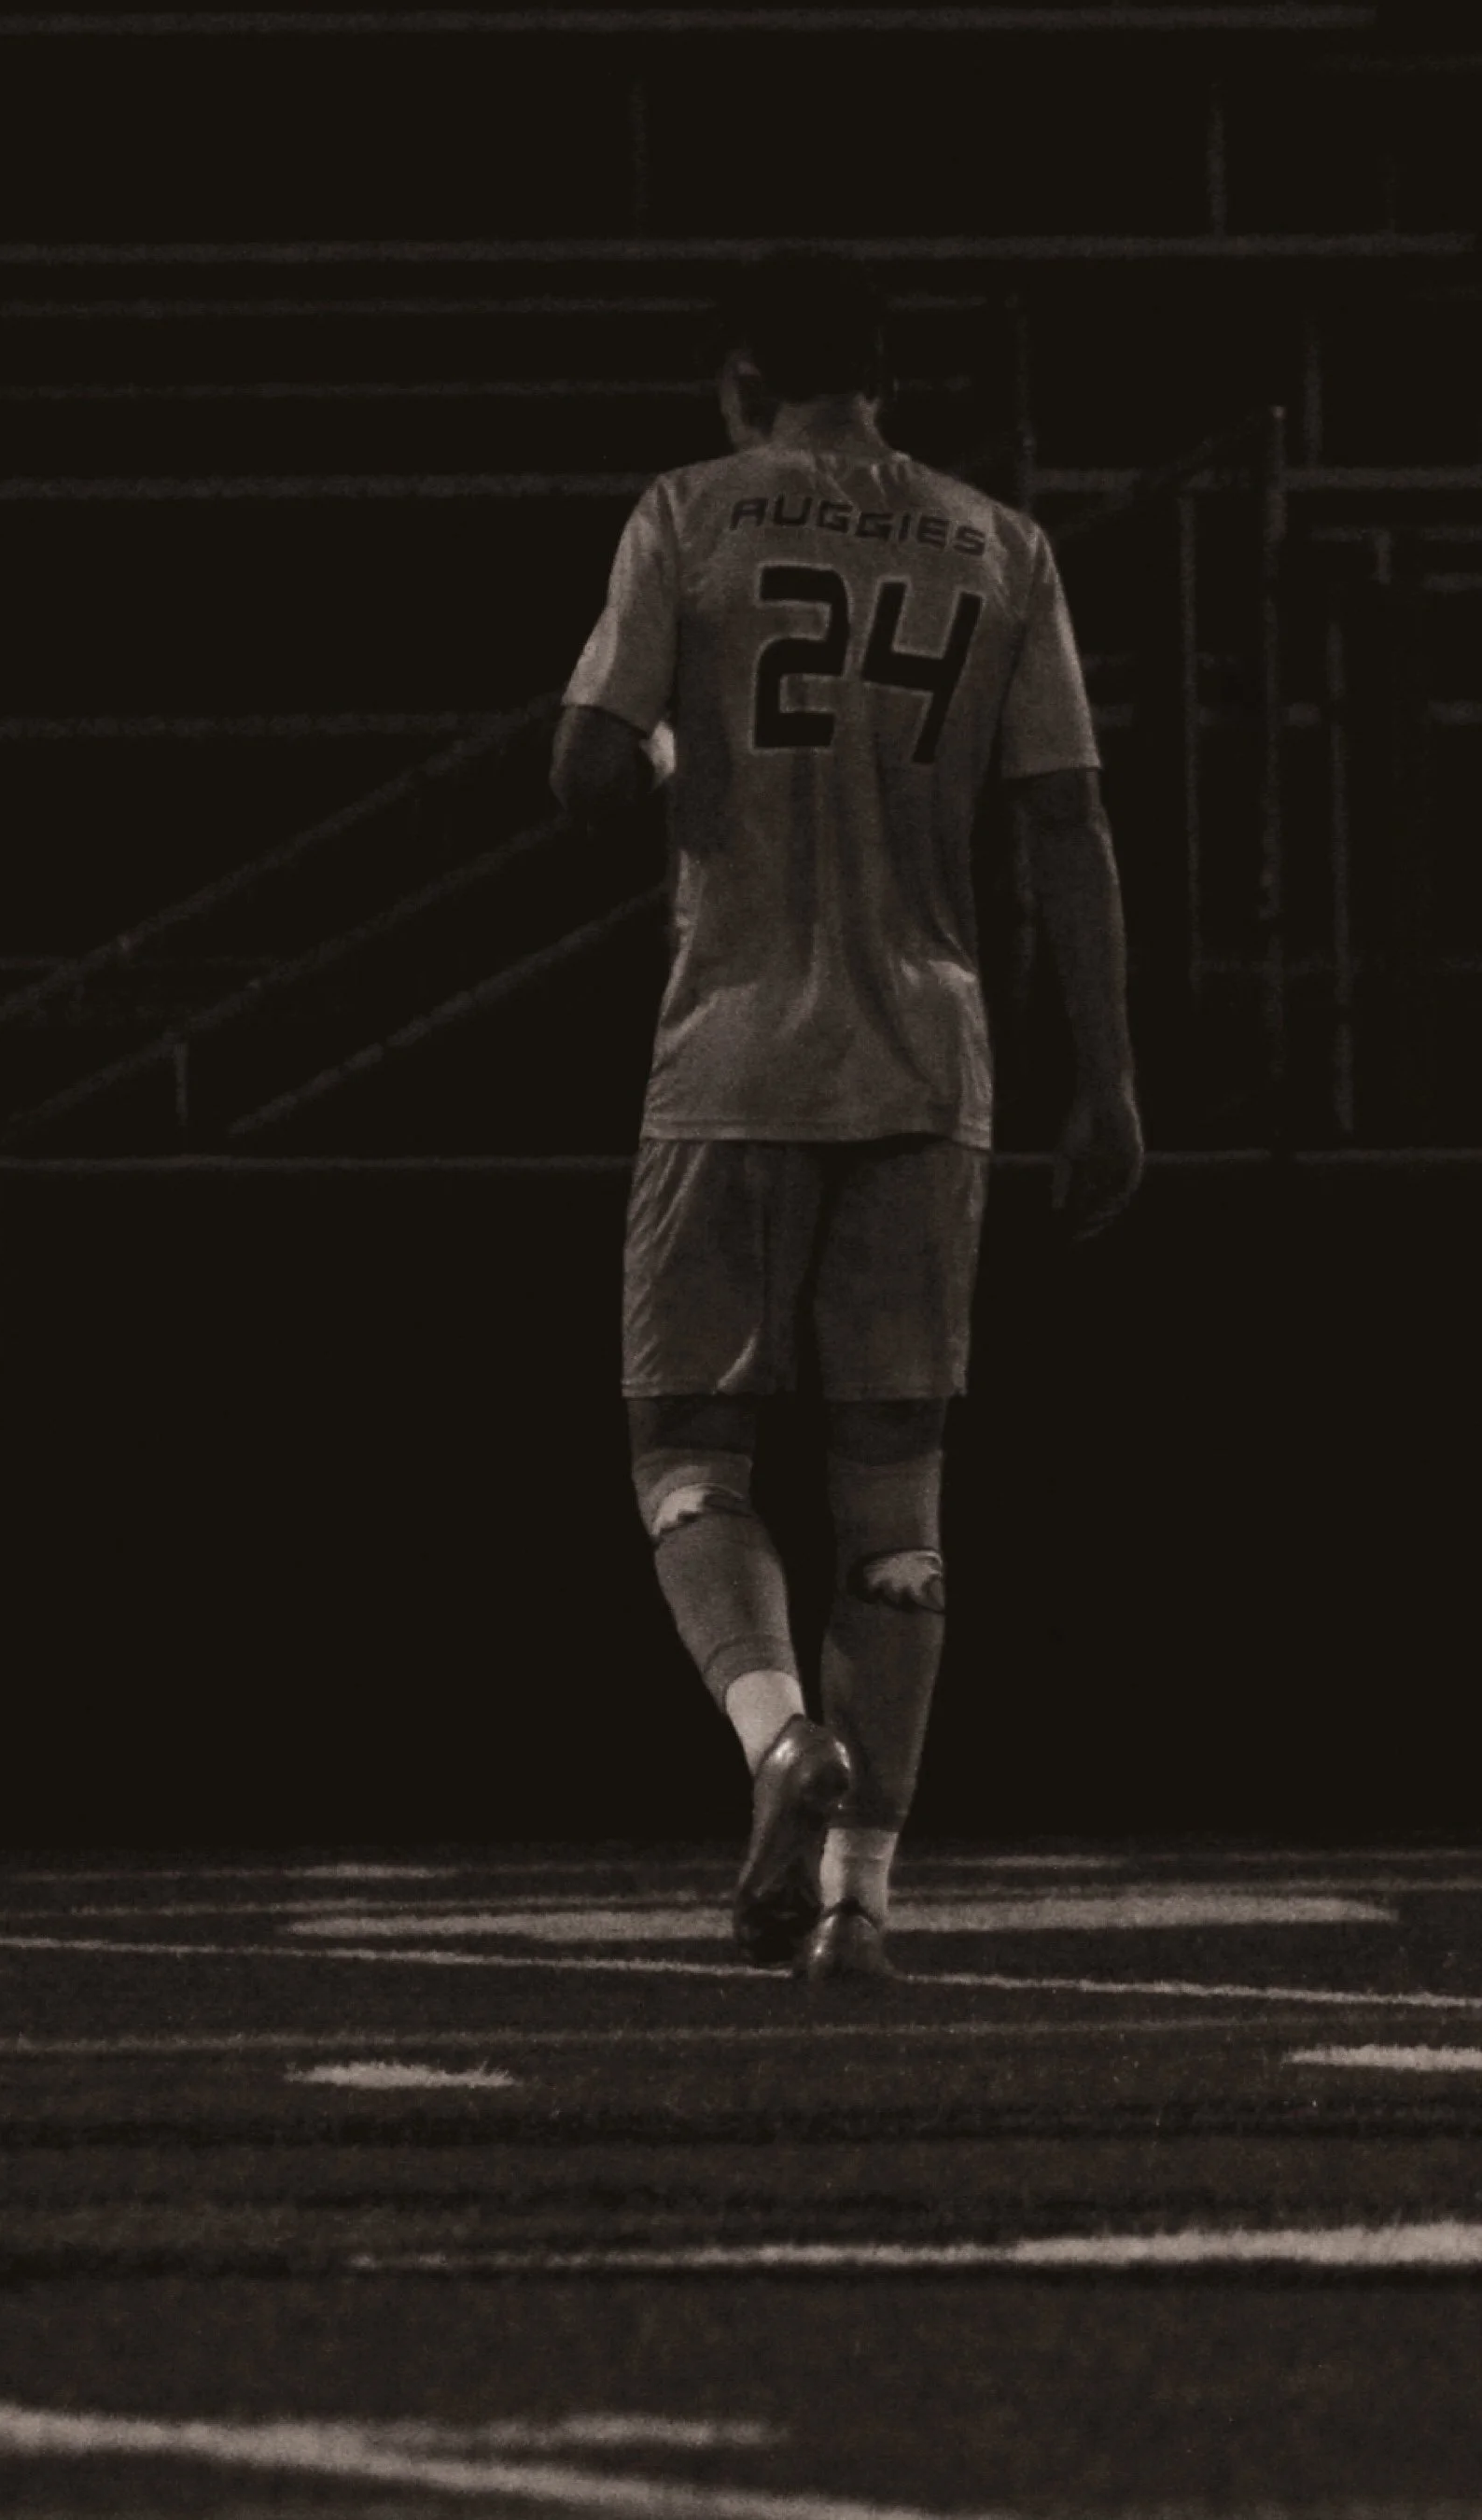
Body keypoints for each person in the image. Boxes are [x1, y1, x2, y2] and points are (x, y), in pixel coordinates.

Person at [551, 254, 1143, 1989]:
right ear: (886, 383)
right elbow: (1066, 824)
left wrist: (675, 763)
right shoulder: (998, 545)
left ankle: (779, 1740)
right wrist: (1107, 1077)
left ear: (745, 381)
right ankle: (862, 1904)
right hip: (927, 1058)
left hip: (736, 1052)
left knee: (687, 1456)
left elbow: (583, 770)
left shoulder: (691, 512)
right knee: (898, 1506)